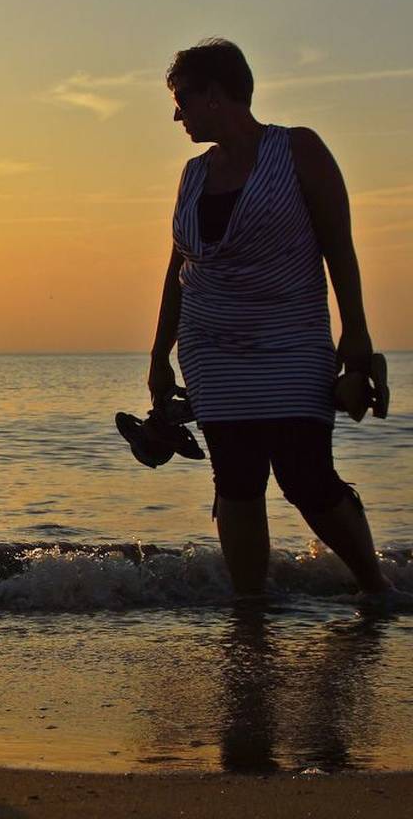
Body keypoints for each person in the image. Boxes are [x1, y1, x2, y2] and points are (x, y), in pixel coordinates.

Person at [147, 38, 400, 605]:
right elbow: (177, 271)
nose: (177, 112)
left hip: (290, 342)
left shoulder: (298, 151)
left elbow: (339, 247)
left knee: (306, 477)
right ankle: (251, 605)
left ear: (216, 94)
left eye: (182, 98)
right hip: (210, 348)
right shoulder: (192, 175)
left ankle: (375, 584)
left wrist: (355, 337)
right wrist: (159, 354)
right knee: (235, 481)